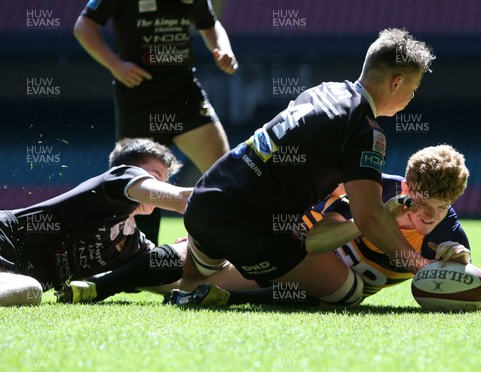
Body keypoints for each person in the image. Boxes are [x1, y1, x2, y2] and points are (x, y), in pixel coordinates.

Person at [182, 28, 436, 307]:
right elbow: (370, 218)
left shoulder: (323, 90)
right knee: (348, 291)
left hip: (206, 199)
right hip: (249, 226)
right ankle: (223, 296)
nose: (411, 98)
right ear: (396, 82)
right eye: (412, 90)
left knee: (187, 275)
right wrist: (420, 266)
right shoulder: (365, 131)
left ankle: (147, 273)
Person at [166, 144, 472, 307]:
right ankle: (139, 270)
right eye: (422, 203)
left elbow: (457, 273)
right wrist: (374, 219)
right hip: (293, 250)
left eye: (441, 207)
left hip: (330, 287)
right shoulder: (372, 190)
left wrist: (459, 259)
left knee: (328, 294)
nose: (431, 216)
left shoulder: (448, 230)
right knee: (187, 279)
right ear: (407, 188)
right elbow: (316, 238)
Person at [74, 0, 238, 245]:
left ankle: (224, 247)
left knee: (225, 174)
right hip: (138, 96)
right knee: (139, 185)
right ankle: (140, 258)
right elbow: (83, 26)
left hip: (184, 94)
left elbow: (210, 24)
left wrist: (224, 50)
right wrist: (115, 65)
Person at [0, 138, 192, 306]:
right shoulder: (118, 180)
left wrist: (187, 252)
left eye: (165, 183)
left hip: (9, 272)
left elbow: (167, 279)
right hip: (2, 236)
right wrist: (217, 203)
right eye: (155, 178)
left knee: (29, 290)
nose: (160, 188)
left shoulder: (133, 246)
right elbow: (183, 199)